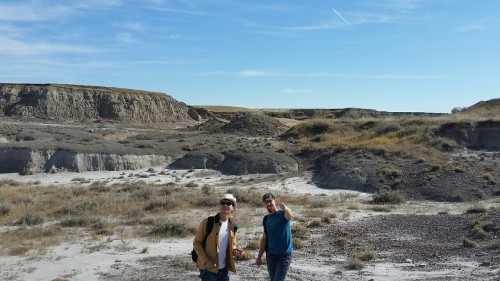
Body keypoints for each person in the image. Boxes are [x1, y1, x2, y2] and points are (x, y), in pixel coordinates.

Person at [193, 194, 244, 281]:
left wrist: (236, 252)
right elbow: (197, 243)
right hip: (209, 269)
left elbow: (232, 247)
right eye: (223, 203)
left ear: (233, 208)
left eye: (229, 203)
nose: (225, 205)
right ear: (219, 206)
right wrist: (206, 261)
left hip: (224, 269)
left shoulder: (232, 226)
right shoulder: (207, 222)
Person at [256, 193, 293, 281]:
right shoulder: (266, 219)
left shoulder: (282, 214)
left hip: (284, 254)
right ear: (264, 204)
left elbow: (290, 216)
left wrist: (284, 207)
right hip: (271, 255)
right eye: (266, 202)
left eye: (270, 201)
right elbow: (264, 238)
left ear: (274, 201)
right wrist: (259, 256)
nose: (268, 204)